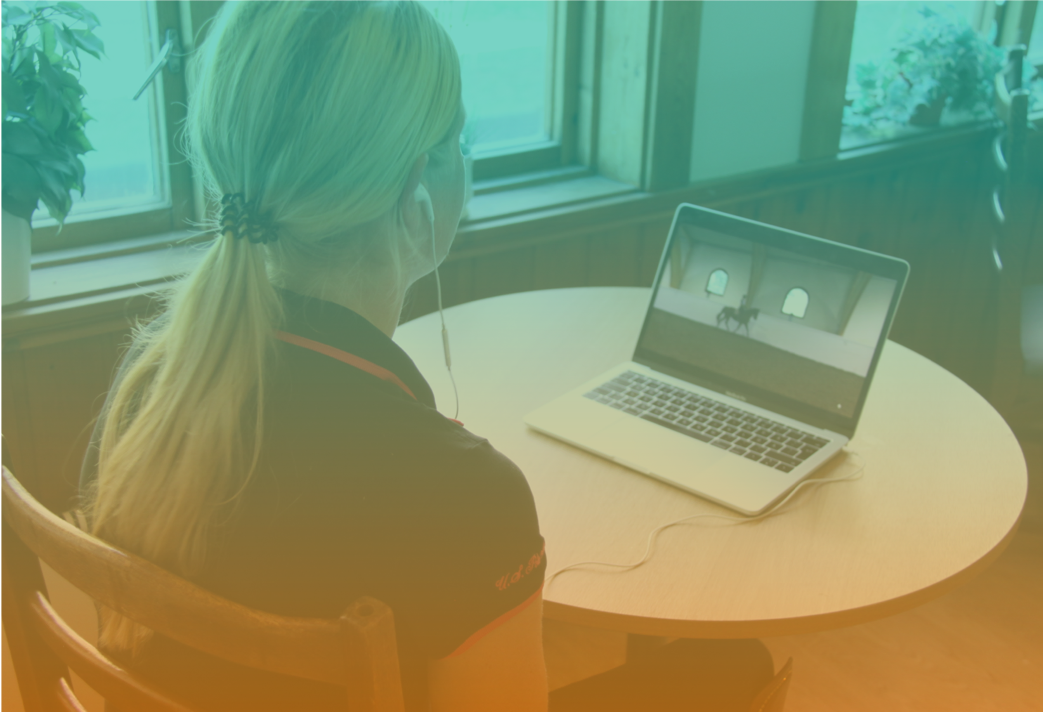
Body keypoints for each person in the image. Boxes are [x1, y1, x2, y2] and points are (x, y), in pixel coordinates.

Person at [80, 2, 773, 710]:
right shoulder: (463, 496)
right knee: (732, 666)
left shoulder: (155, 388)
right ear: (417, 191)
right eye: (459, 141)